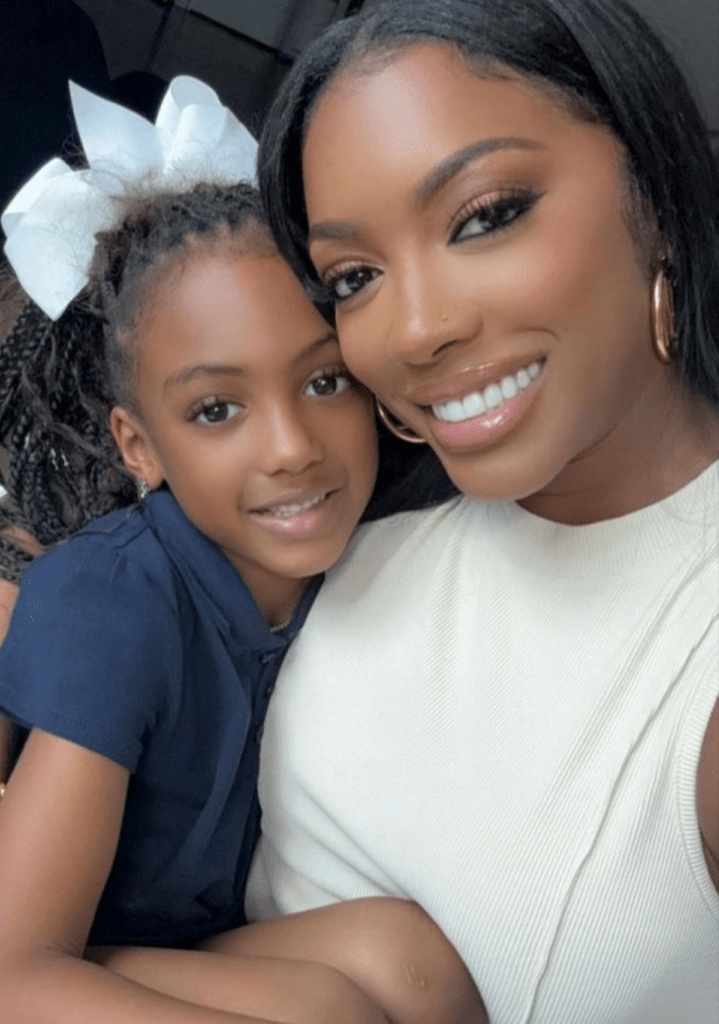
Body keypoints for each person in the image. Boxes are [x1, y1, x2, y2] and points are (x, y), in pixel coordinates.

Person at [0, 78, 483, 1024]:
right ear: (137, 446)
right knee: (327, 1012)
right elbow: (1, 981)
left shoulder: (364, 551)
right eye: (217, 410)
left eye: (324, 382)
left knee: (408, 958)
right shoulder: (116, 602)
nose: (292, 448)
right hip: (37, 959)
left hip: (174, 940)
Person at [241, 1, 719, 1022]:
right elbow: (48, 544)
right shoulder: (343, 499)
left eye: (486, 215)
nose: (414, 330)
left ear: (650, 183)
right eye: (355, 277)